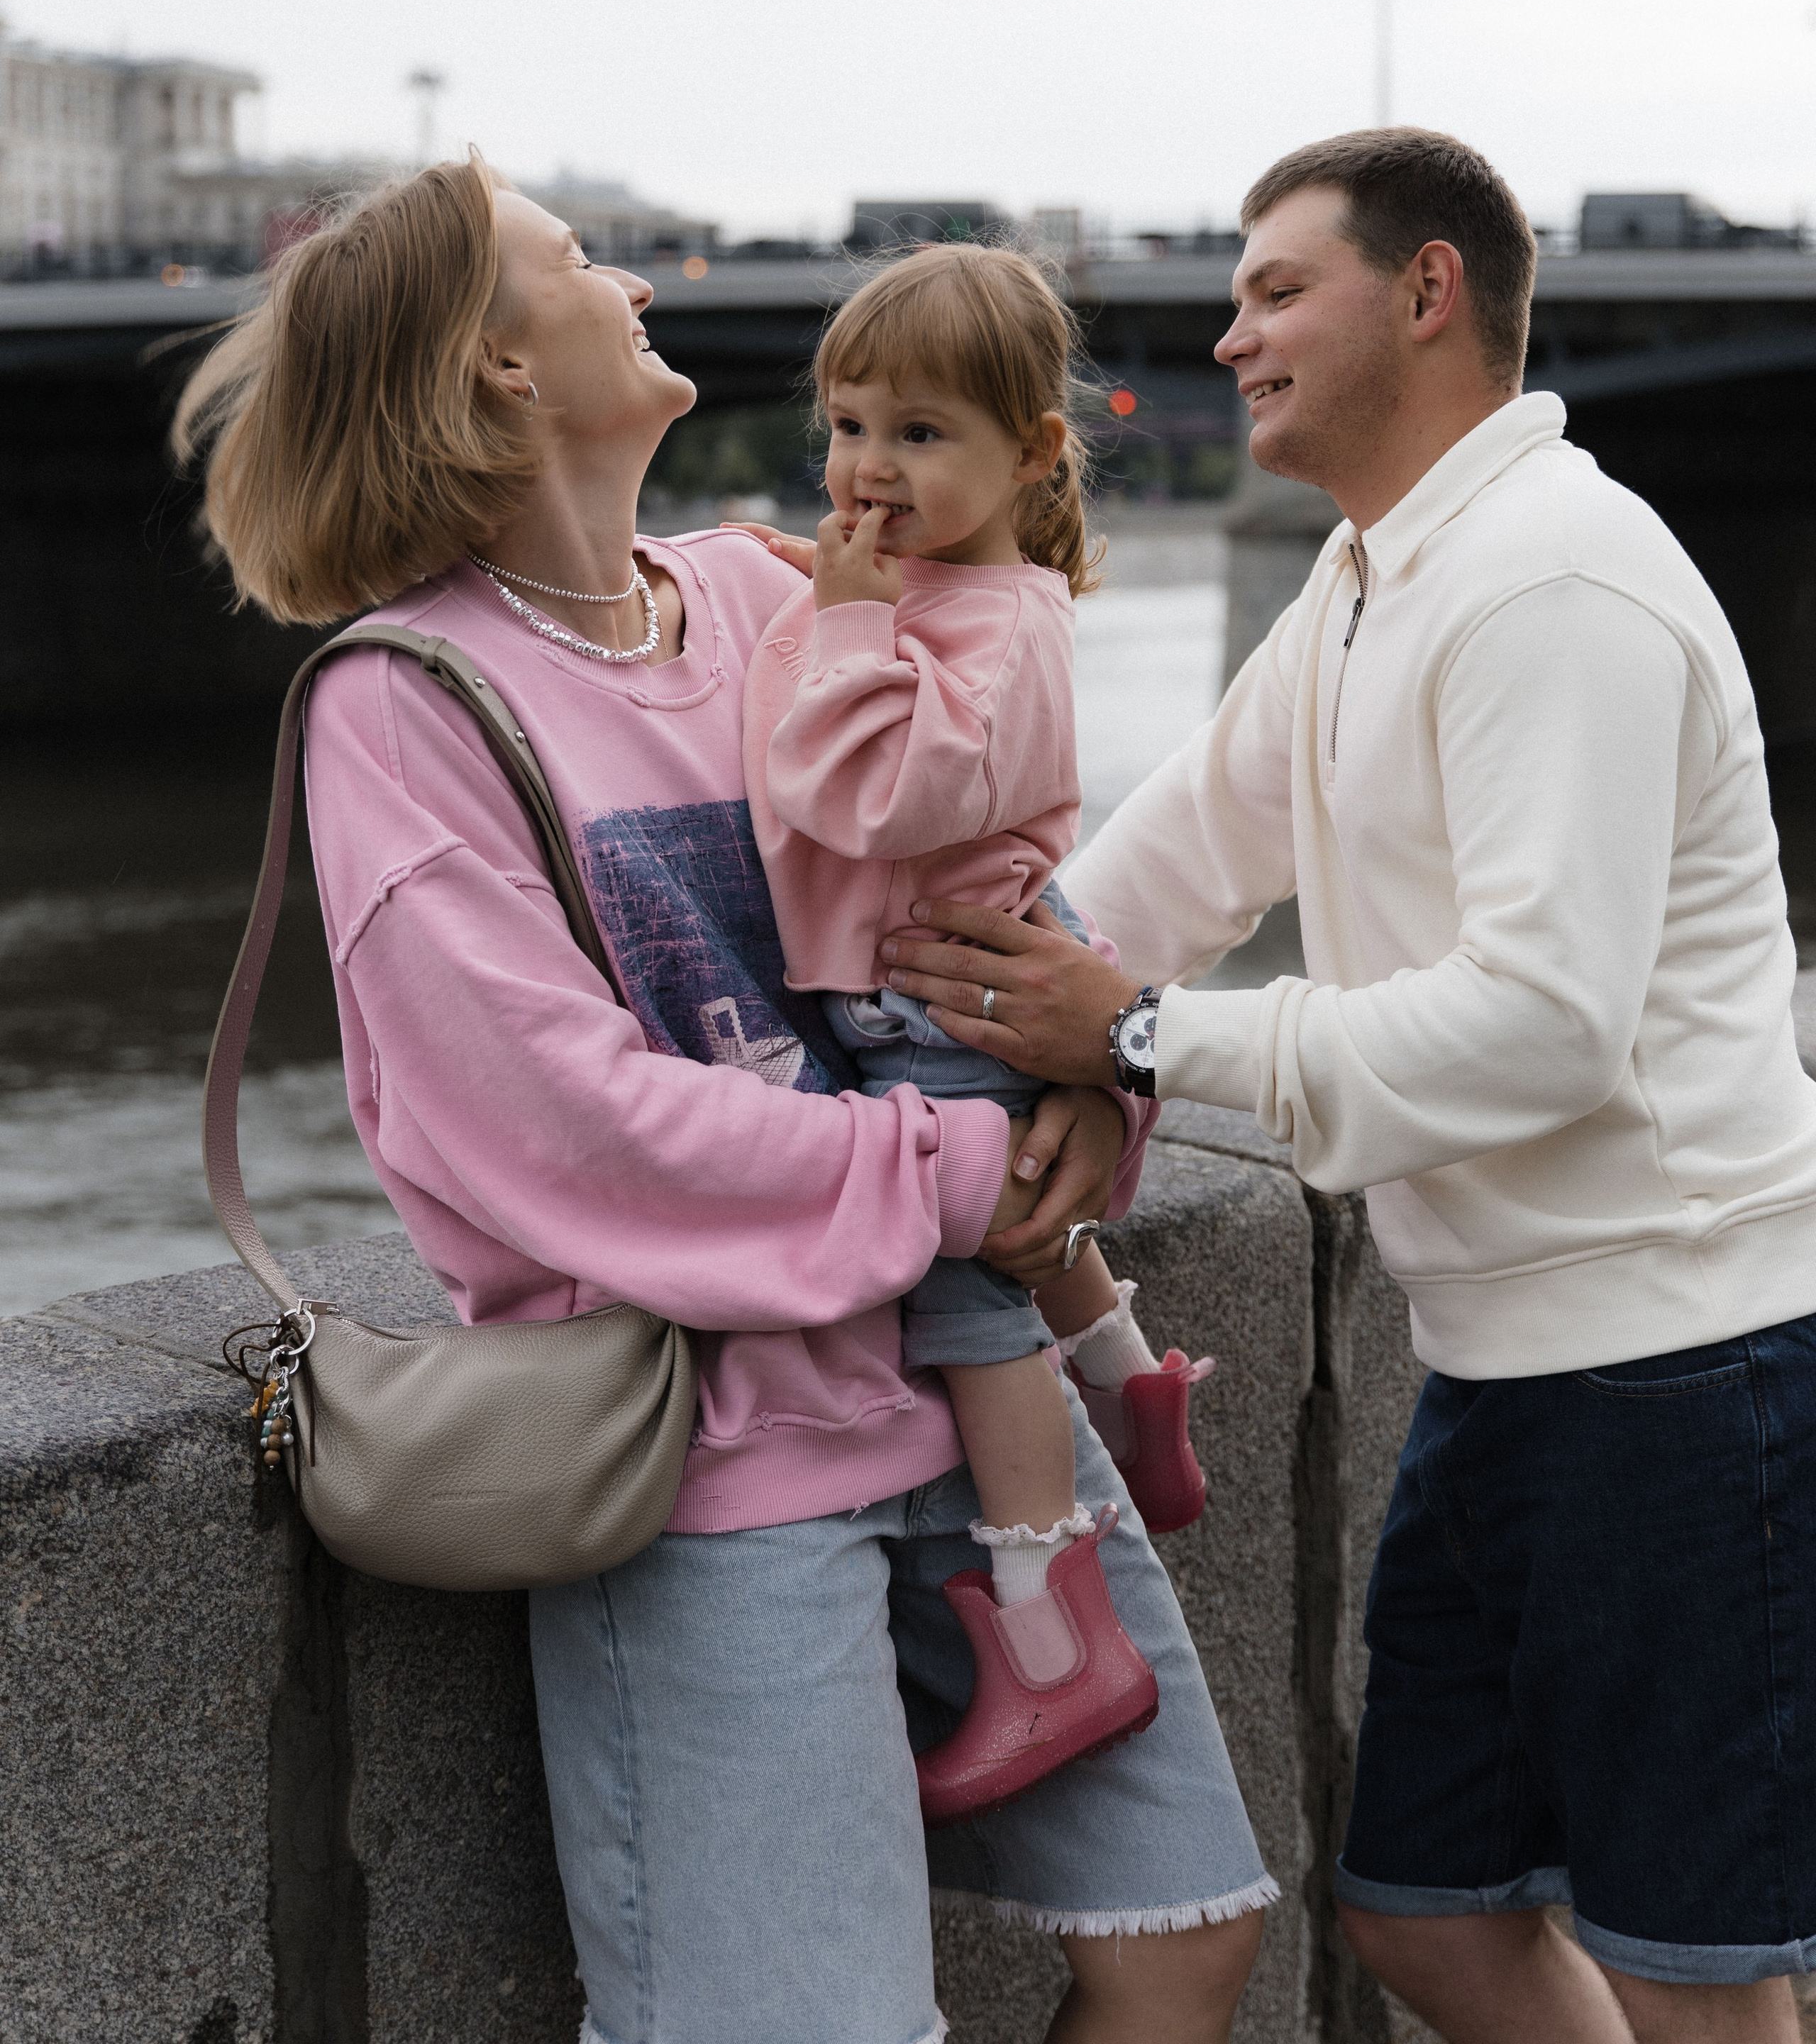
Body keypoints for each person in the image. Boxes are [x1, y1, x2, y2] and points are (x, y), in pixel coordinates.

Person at [172, 152, 1275, 2044]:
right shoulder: (408, 705)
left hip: (961, 1392)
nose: (636, 278)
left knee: (1184, 1941)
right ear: (500, 366)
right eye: (580, 261)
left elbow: (985, 880)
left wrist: (1100, 1076)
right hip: (715, 1475)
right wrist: (955, 1166)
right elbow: (555, 1131)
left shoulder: (771, 595)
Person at [878, 127, 1816, 2044]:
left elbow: (1543, 1026)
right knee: (1422, 1917)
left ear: (1428, 294)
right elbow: (1169, 866)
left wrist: (1136, 1042)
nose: (1230, 339)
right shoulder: (1373, 578)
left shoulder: (1556, 584)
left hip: (1684, 1375)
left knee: (1696, 1971)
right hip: (1500, 1368)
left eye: (1274, 291)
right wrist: (978, 1025)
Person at [733, 243, 1213, 1824]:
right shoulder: (931, 595)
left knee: (969, 1297)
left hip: (937, 994)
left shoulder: (992, 624)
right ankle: (1138, 1395)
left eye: (920, 434)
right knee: (1025, 1230)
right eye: (849, 422)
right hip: (931, 979)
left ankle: (1043, 1639)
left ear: (1030, 454)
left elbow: (881, 798)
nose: (868, 467)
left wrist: (851, 626)